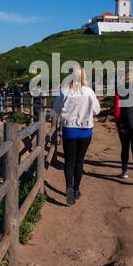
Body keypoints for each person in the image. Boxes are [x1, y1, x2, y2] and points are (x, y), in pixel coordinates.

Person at [53, 66, 100, 206]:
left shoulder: (64, 91)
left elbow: (56, 108)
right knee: (80, 161)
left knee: (69, 161)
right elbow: (97, 110)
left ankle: (69, 187)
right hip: (85, 131)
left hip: (69, 130)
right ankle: (77, 189)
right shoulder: (89, 91)